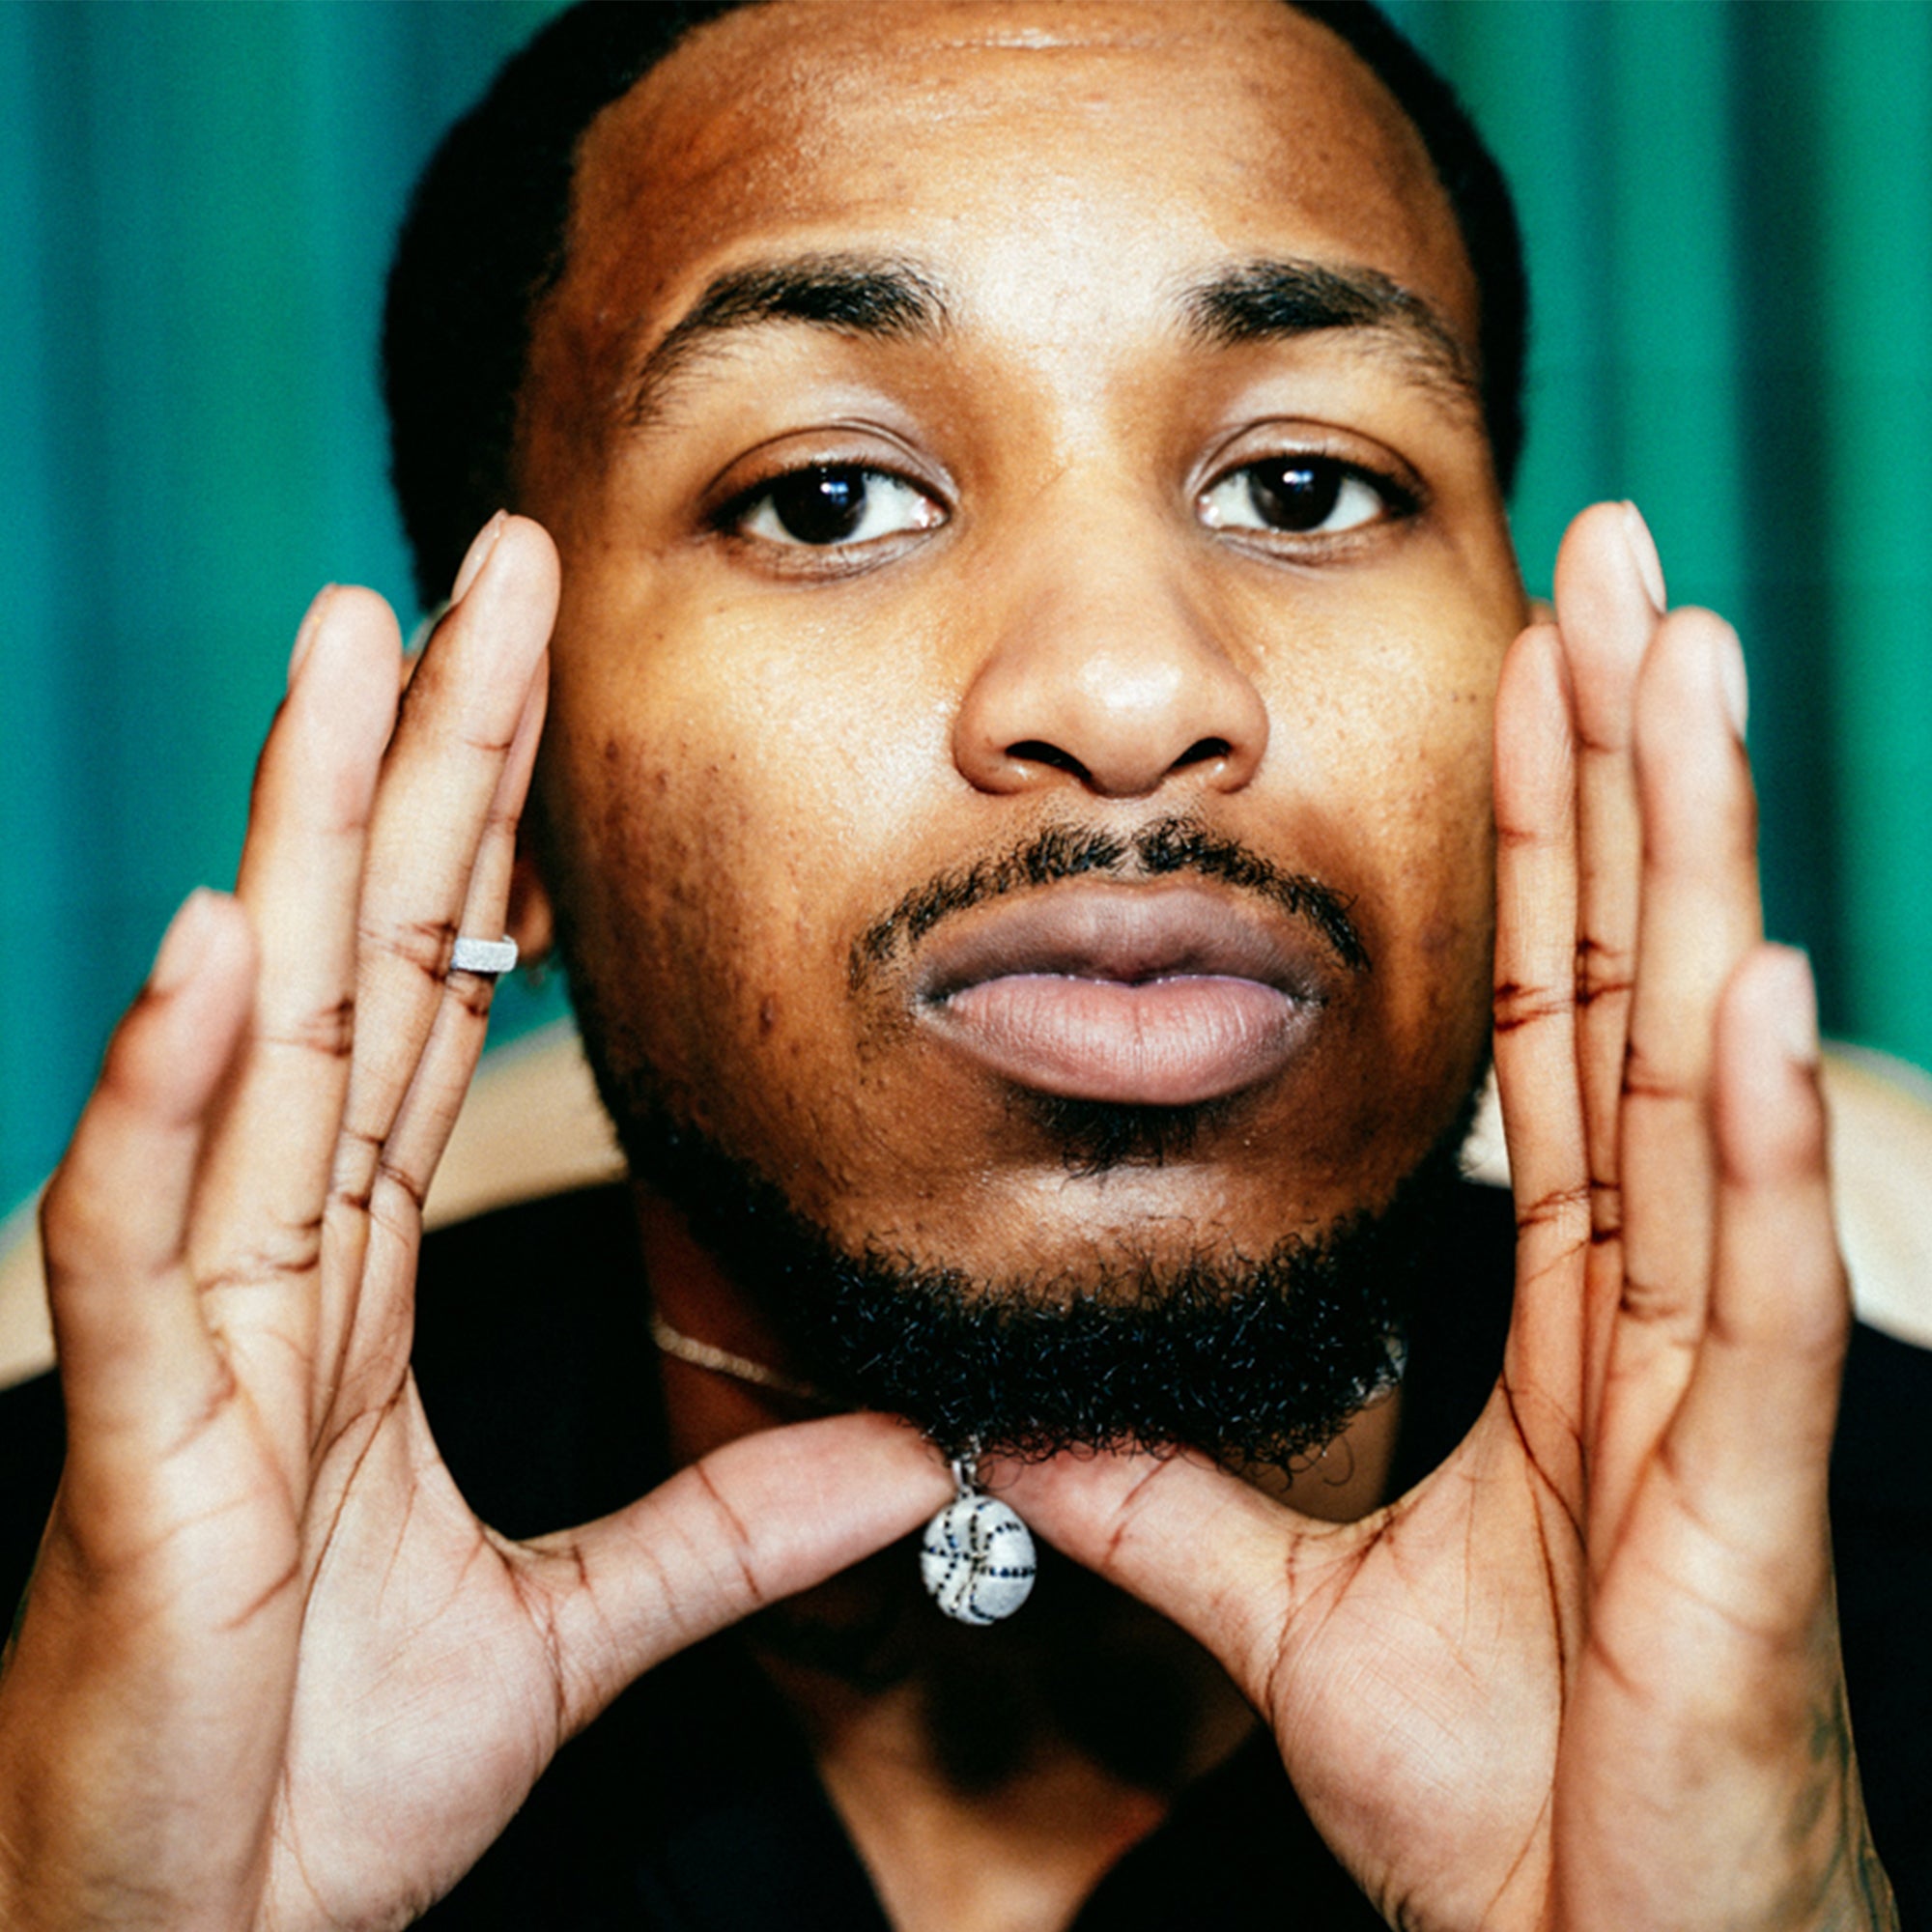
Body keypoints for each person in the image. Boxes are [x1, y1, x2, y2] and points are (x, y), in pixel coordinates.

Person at [0, 2, 1924, 1926]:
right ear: (490, 782)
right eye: (826, 497)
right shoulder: (103, 1636)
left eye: (1303, 486)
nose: (1130, 693)